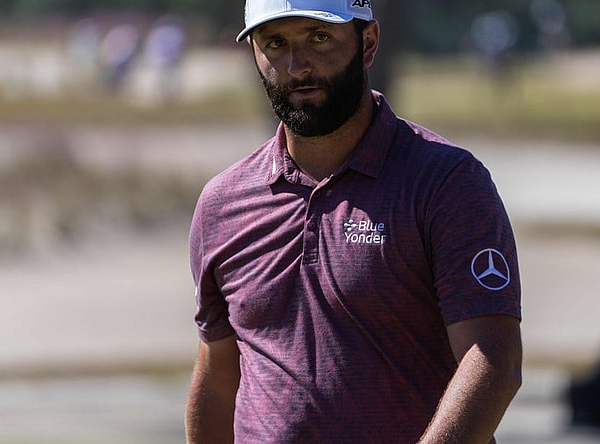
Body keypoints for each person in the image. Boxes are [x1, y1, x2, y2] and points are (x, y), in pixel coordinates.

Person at [186, 1, 523, 443]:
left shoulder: (446, 183)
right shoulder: (222, 204)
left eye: (319, 38)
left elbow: (493, 359)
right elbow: (217, 378)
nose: (298, 65)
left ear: (368, 43)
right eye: (275, 43)